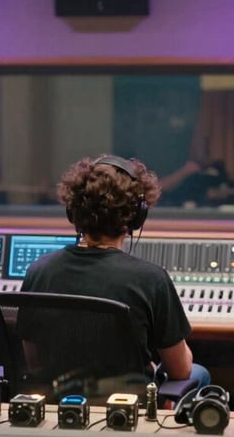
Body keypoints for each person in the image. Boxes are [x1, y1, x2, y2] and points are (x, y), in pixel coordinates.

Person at [21, 154, 211, 389]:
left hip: (58, 406)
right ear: (136, 217)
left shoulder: (39, 271)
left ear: (73, 212)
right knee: (199, 373)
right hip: (124, 411)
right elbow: (180, 370)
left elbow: (33, 361)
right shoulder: (151, 279)